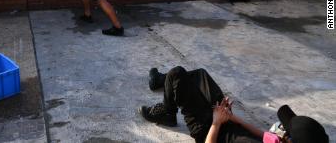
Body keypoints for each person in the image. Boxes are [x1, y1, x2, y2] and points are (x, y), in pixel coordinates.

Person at [140, 67, 329, 143]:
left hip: (206, 130)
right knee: (201, 75)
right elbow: (263, 135)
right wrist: (232, 117)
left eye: (286, 130)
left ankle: (167, 111)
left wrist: (216, 122)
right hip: (224, 121)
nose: (282, 129)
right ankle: (164, 84)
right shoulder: (280, 142)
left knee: (177, 74)